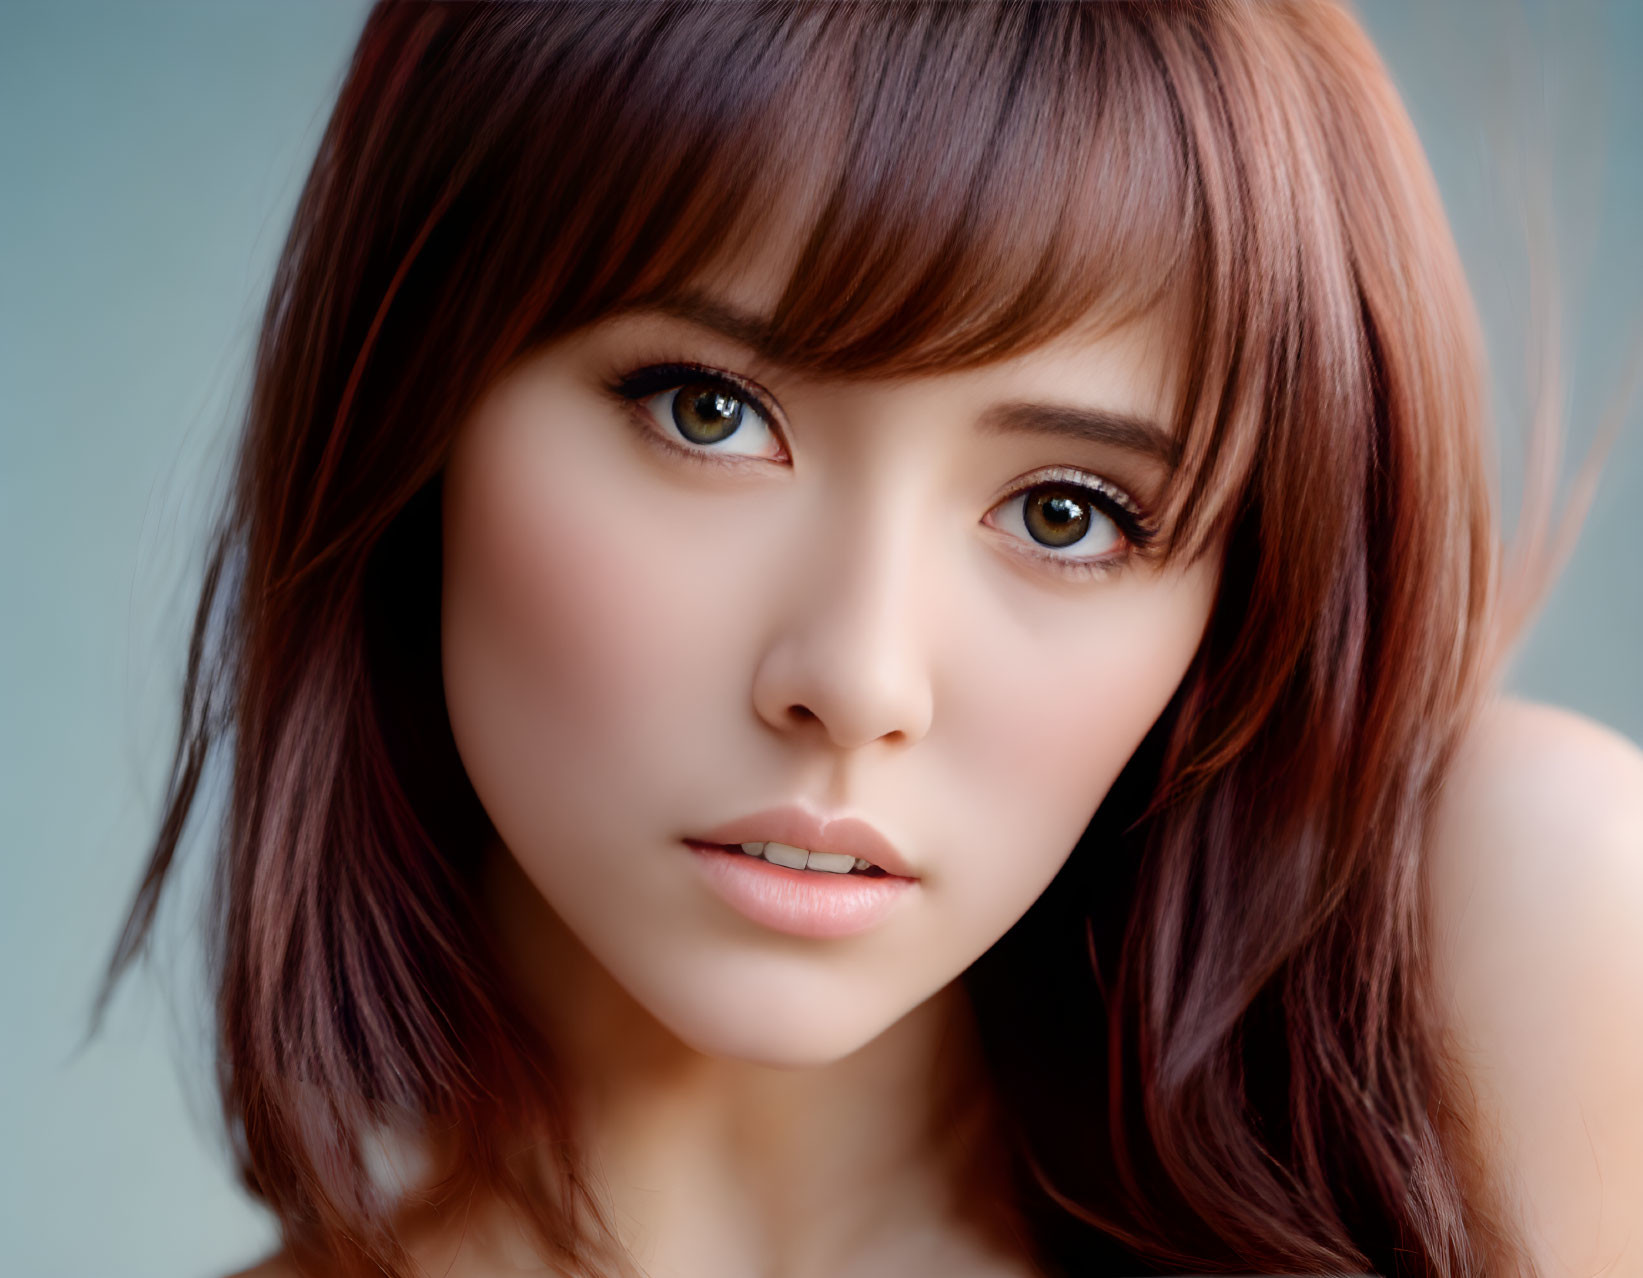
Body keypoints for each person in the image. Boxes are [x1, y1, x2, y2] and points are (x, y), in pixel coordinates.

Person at [99, 2, 1643, 1276]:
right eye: (711, 412)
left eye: (1066, 512)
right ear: (409, 395)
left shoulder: (1500, 966)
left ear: (1240, 596)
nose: (855, 676)